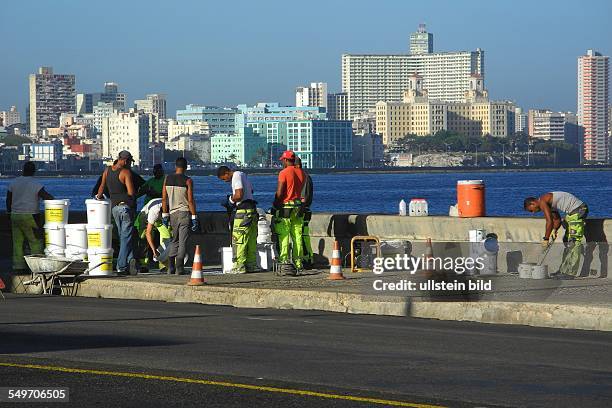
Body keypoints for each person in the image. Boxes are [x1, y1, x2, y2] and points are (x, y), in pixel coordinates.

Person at [524, 192, 588, 278]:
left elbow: (549, 221)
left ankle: (570, 273)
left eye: (531, 210)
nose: (533, 213)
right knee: (566, 241)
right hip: (573, 213)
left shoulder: (542, 201)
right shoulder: (549, 203)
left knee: (574, 242)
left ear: (533, 203)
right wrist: (555, 230)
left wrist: (546, 239)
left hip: (579, 210)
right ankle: (563, 270)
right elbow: (557, 220)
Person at [6, 161, 54, 271]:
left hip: (15, 215)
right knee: (35, 241)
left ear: (23, 170)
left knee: (17, 242)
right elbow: (46, 196)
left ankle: (18, 266)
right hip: (31, 216)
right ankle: (37, 267)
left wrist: (9, 213)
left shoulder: (14, 182)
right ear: (34, 171)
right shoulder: (36, 184)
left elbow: (9, 199)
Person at [96, 151, 137, 275]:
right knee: (126, 237)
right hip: (125, 208)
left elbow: (102, 187)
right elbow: (131, 193)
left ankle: (131, 261)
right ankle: (121, 266)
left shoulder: (107, 170)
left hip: (114, 209)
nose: (130, 164)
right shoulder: (126, 173)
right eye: (129, 162)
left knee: (124, 237)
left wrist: (98, 197)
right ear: (125, 161)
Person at [217, 166, 258, 274]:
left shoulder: (236, 176)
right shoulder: (243, 175)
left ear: (226, 173)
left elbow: (239, 194)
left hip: (243, 211)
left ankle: (239, 266)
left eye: (223, 178)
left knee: (238, 239)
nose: (225, 181)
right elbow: (251, 190)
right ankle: (251, 265)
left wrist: (230, 200)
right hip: (252, 210)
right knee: (251, 239)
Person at [162, 157, 199, 275]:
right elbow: (190, 200)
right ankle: (179, 268)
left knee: (174, 240)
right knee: (182, 241)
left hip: (172, 213)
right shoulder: (188, 181)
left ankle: (170, 267)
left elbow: (164, 199)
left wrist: (164, 214)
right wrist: (194, 216)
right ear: (186, 167)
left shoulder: (167, 179)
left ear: (175, 166)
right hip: (184, 213)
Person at [272, 150, 305, 275]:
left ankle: (284, 262)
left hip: (286, 206)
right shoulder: (302, 173)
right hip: (297, 206)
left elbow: (280, 193)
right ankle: (298, 263)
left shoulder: (283, 173)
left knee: (284, 235)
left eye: (283, 161)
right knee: (297, 235)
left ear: (286, 160)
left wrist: (275, 204)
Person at [135, 198, 173, 273]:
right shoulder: (154, 211)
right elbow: (148, 233)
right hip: (145, 217)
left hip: (160, 219)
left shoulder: (171, 206)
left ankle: (163, 265)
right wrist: (154, 250)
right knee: (143, 238)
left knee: (167, 237)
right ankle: (143, 264)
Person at [294, 157, 314, 269]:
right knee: (302, 236)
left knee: (303, 236)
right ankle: (306, 258)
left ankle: (307, 259)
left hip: (303, 211)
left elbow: (304, 198)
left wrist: (299, 210)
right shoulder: (303, 176)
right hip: (303, 209)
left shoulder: (304, 177)